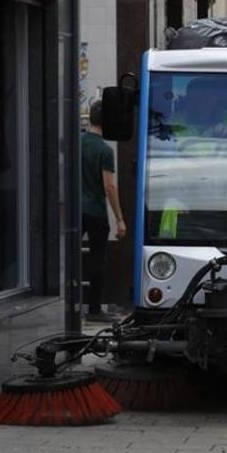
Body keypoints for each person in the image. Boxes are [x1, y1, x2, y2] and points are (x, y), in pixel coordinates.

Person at [81, 100, 127, 322]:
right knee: (98, 260)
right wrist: (120, 219)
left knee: (69, 256)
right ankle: (94, 309)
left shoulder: (77, 143)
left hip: (75, 211)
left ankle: (67, 303)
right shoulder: (105, 150)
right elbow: (109, 186)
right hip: (96, 212)